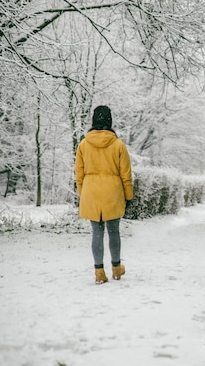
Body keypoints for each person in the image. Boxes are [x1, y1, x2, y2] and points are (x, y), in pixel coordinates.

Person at [75, 105, 133, 284]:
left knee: (96, 232)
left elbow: (79, 173)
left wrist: (82, 194)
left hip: (91, 192)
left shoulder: (84, 144)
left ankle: (99, 272)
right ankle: (116, 268)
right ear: (110, 121)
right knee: (114, 231)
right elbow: (126, 174)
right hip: (112, 192)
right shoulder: (118, 145)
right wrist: (128, 196)